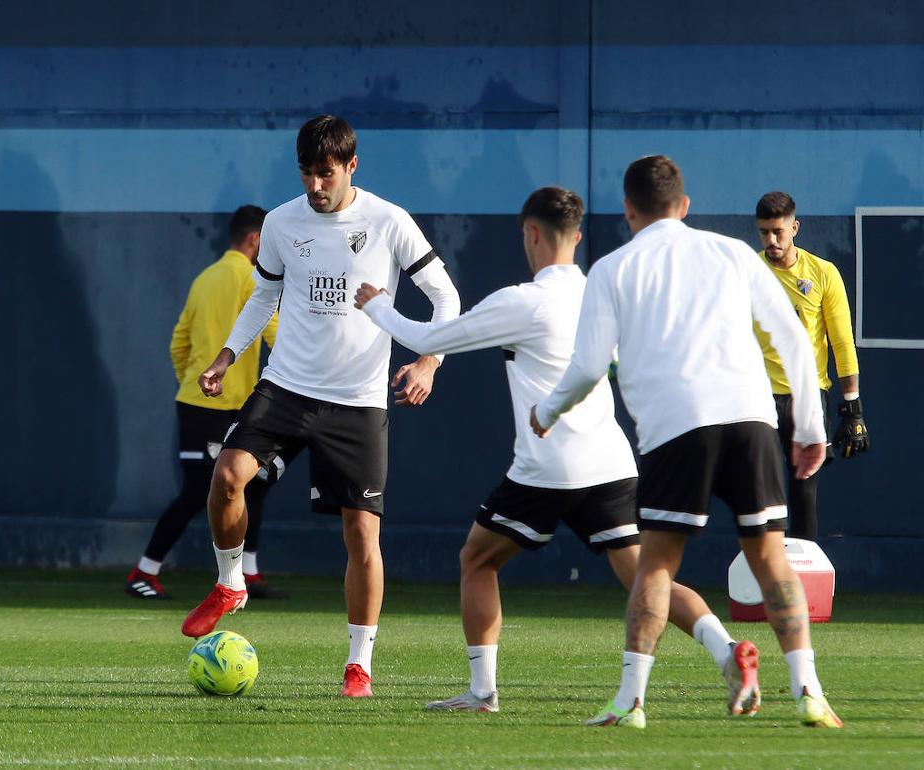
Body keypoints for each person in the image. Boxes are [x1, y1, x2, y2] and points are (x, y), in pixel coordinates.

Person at [353, 186, 758, 715]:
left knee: (477, 559)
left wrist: (377, 305)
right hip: (610, 462)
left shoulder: (525, 301)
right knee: (646, 577)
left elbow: (431, 335)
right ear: (579, 236)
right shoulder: (603, 291)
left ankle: (482, 693)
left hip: (547, 466)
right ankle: (727, 651)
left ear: (531, 233)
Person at [531, 156, 842, 728]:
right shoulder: (731, 254)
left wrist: (546, 410)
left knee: (654, 566)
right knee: (771, 558)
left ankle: (630, 702)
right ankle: (809, 692)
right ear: (686, 205)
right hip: (751, 420)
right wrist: (811, 427)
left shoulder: (612, 269)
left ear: (628, 210)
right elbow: (795, 342)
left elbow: (586, 368)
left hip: (677, 427)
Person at [181, 115, 461, 698]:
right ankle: (231, 583)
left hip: (357, 401)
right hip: (286, 386)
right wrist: (227, 355)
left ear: (351, 166)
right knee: (227, 474)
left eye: (326, 174)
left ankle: (359, 663)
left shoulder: (389, 221)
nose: (315, 185)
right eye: (307, 173)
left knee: (362, 536)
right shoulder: (282, 222)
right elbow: (264, 294)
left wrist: (430, 361)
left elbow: (446, 297)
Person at [125, 205, 289, 601]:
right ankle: (143, 572)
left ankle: (247, 573)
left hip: (202, 403)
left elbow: (178, 342)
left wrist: (191, 383)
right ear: (255, 240)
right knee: (199, 492)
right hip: (219, 408)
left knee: (255, 485)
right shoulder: (252, 279)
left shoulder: (204, 278)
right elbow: (275, 335)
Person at [753, 191, 868, 541]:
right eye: (763, 233)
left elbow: (841, 342)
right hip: (759, 398)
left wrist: (853, 406)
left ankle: (804, 587)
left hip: (808, 399)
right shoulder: (749, 271)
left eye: (778, 232)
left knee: (804, 496)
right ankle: (763, 582)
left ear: (795, 228)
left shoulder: (822, 273)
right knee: (760, 498)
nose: (771, 241)